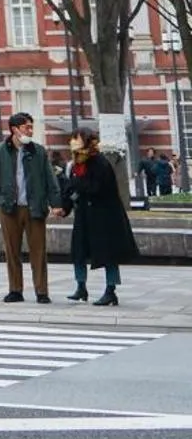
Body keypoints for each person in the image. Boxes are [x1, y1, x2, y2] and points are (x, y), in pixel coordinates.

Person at [57, 127, 140, 306]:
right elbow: (71, 190)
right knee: (78, 252)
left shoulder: (99, 162)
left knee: (108, 254)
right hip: (84, 215)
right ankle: (81, 287)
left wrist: (75, 184)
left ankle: (111, 290)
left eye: (76, 138)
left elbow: (95, 188)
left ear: (86, 141)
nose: (72, 141)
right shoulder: (76, 164)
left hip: (104, 216)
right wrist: (65, 208)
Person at [0, 111, 54, 304]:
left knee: (38, 251)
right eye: (26, 127)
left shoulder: (38, 151)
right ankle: (15, 289)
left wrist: (56, 204)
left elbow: (50, 179)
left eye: (31, 127)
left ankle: (42, 291)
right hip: (9, 208)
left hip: (35, 207)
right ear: (15, 129)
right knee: (11, 250)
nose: (30, 130)